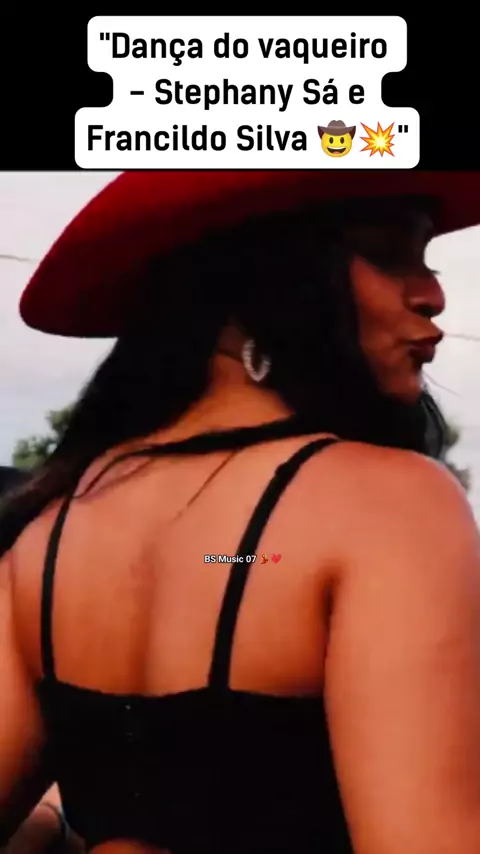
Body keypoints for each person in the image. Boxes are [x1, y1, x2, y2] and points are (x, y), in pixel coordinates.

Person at [1, 170, 480, 854]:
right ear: (264, 281)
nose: (432, 295)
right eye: (387, 252)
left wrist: (55, 829)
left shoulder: (49, 528)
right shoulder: (390, 504)